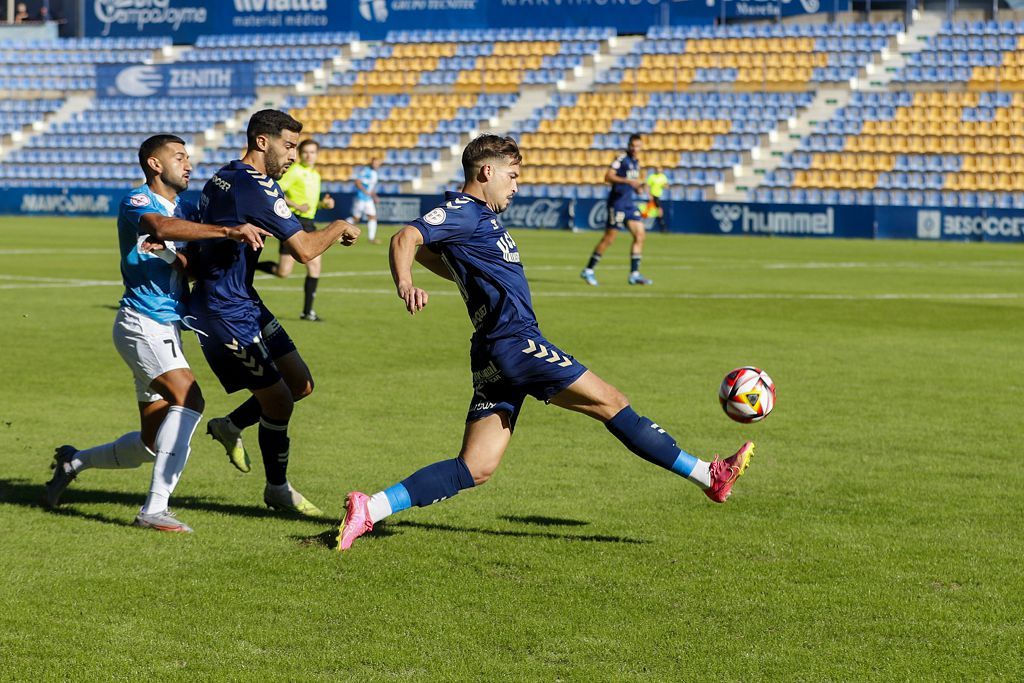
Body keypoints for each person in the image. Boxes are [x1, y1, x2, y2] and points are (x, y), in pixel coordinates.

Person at [337, 134, 753, 551]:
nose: (516, 185)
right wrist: (405, 282)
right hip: (515, 342)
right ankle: (709, 475)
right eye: (512, 175)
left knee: (476, 467)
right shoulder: (465, 211)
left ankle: (369, 508)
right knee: (612, 402)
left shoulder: (472, 217)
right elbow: (404, 238)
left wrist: (465, 274)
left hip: (491, 351)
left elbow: (434, 252)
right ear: (487, 172)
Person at [43, 134, 268, 533]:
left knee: (151, 443)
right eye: (179, 157)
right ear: (155, 164)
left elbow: (189, 264)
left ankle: (73, 461)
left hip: (167, 325)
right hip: (141, 321)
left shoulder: (187, 209)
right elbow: (158, 225)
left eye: (189, 157)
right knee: (191, 398)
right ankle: (154, 510)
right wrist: (227, 232)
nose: (189, 164)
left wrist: (185, 256)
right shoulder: (137, 201)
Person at [189, 109, 360, 516]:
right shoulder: (254, 186)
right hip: (223, 310)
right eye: (289, 146)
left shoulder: (229, 174)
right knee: (280, 401)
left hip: (244, 299)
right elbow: (304, 251)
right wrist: (339, 226)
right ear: (261, 142)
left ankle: (230, 426)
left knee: (300, 385)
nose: (293, 156)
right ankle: (277, 489)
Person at [255, 138, 335, 322]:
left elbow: (311, 205)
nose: (309, 155)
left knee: (315, 266)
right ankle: (256, 266)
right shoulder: (295, 171)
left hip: (309, 223)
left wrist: (324, 204)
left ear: (317, 154)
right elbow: (276, 191)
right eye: (306, 152)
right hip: (292, 222)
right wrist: (296, 204)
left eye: (313, 152)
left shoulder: (315, 175)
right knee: (283, 272)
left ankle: (308, 312)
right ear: (300, 154)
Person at [580, 133, 653, 287]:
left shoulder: (635, 162)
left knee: (640, 235)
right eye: (632, 145)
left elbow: (632, 184)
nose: (635, 148)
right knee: (609, 239)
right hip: (617, 204)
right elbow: (608, 176)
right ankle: (588, 269)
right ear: (629, 145)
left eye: (638, 146)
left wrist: (639, 188)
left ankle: (634, 274)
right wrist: (628, 181)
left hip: (629, 204)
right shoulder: (622, 159)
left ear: (641, 147)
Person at [347, 157, 382, 244]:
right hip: (361, 198)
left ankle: (371, 238)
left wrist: (374, 196)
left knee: (372, 217)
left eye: (377, 163)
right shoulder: (366, 170)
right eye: (374, 163)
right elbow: (357, 182)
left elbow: (371, 187)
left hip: (368, 199)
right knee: (356, 219)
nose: (376, 165)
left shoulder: (375, 173)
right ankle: (339, 227)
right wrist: (365, 191)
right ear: (371, 163)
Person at [644, 166, 669, 232]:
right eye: (657, 169)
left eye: (660, 169)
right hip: (653, 195)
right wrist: (649, 195)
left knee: (657, 211)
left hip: (659, 196)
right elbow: (647, 186)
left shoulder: (663, 177)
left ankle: (661, 226)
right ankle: (662, 226)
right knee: (657, 211)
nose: (658, 170)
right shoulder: (652, 176)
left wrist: (665, 186)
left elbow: (666, 186)